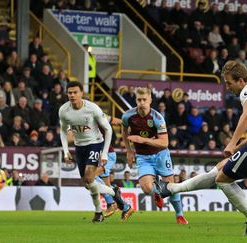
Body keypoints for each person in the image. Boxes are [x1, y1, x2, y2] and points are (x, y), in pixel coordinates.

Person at [156, 60, 247, 235]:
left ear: (241, 80)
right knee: (220, 168)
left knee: (222, 179)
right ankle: (171, 188)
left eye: (229, 82)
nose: (227, 87)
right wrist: (239, 147)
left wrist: (232, 142)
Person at [59, 81, 133, 222]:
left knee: (90, 178)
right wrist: (65, 151)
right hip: (79, 147)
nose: (72, 95)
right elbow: (63, 131)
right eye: (70, 93)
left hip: (96, 144)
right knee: (88, 183)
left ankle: (111, 203)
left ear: (81, 93)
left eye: (75, 92)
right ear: (67, 94)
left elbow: (109, 128)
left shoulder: (93, 109)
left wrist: (104, 153)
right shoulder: (64, 110)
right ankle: (109, 201)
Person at [122, 87, 188, 225]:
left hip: (160, 155)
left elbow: (164, 143)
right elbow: (124, 130)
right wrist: (128, 150)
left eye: (144, 100)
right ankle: (157, 191)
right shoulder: (128, 116)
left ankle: (179, 215)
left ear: (150, 100)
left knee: (171, 186)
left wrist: (144, 140)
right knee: (146, 189)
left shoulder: (157, 118)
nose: (141, 103)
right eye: (139, 100)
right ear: (136, 100)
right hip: (143, 157)